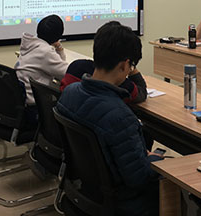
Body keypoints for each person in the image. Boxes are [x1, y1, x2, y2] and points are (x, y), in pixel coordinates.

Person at [57, 22, 161, 216]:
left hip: (85, 190)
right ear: (124, 65)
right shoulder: (120, 116)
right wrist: (155, 160)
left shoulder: (69, 93)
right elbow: (139, 178)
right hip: (121, 203)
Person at [15, 14, 68, 106]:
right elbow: (65, 73)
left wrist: (58, 47)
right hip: (34, 105)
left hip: (21, 99)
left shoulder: (30, 45)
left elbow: (59, 65)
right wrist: (59, 48)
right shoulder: (45, 52)